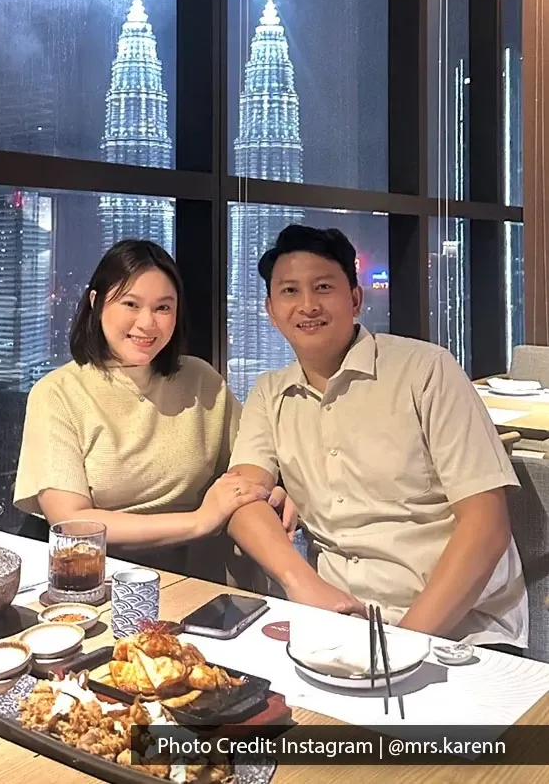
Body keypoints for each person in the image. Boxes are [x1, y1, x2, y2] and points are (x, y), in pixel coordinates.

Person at [225, 224, 528, 652]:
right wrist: (301, 582)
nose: (307, 304)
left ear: (354, 299)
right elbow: (240, 501)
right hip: (339, 624)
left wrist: (403, 644)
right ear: (271, 311)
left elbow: (487, 525)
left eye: (323, 287)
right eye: (290, 291)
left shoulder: (425, 371)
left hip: (460, 629)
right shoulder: (270, 392)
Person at [14, 239, 296, 583]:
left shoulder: (200, 381)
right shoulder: (59, 393)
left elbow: (255, 459)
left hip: (201, 578)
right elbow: (72, 523)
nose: (147, 323)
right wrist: (199, 521)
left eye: (163, 308)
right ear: (96, 303)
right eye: (130, 304)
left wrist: (276, 489)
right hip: (99, 579)